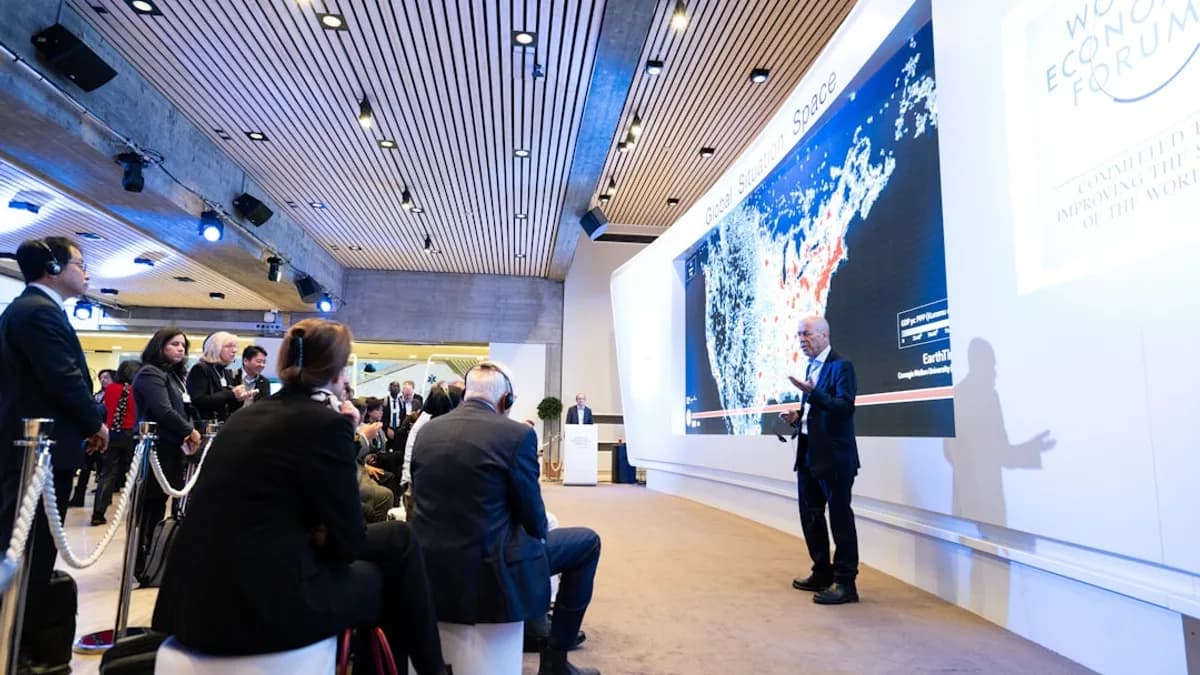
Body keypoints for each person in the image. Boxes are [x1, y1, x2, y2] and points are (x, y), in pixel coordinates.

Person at [151, 319, 448, 674]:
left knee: (396, 539)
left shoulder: (245, 418)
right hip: (264, 604)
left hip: (191, 601)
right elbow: (347, 543)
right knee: (394, 562)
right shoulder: (325, 424)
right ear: (337, 372)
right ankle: (430, 668)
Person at [410, 362, 601, 675]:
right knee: (587, 542)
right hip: (491, 568)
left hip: (430, 563)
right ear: (506, 401)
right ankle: (555, 662)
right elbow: (536, 523)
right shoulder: (517, 436)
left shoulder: (427, 433)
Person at [0, 237, 108, 670]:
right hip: (36, 452)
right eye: (81, 263)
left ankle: (20, 637)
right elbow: (62, 379)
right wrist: (94, 423)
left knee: (33, 549)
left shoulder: (36, 310)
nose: (86, 272)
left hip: (42, 451)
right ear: (52, 265)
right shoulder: (37, 313)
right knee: (30, 549)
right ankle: (18, 646)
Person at [779, 316, 860, 605]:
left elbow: (844, 408)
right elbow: (817, 414)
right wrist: (797, 418)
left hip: (835, 459)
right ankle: (821, 572)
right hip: (809, 455)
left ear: (825, 335)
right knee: (811, 517)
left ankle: (845, 583)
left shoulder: (841, 366)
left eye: (807, 334)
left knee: (840, 520)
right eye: (799, 335)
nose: (802, 339)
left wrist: (814, 393)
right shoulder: (811, 367)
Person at [133, 328, 202, 578]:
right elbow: (163, 411)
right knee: (151, 506)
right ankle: (144, 561)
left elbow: (182, 409)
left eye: (183, 345)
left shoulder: (173, 376)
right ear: (160, 346)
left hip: (172, 449)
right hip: (156, 448)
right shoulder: (151, 373)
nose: (180, 349)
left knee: (164, 502)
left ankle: (158, 557)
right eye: (174, 344)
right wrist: (190, 433)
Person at [92, 359, 142, 525]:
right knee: (136, 474)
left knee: (107, 473)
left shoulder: (111, 389)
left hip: (113, 432)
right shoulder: (139, 390)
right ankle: (136, 509)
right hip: (133, 434)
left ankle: (98, 512)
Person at [187, 331, 253, 422]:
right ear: (215, 348)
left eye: (235, 347)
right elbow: (199, 400)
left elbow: (229, 406)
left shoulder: (225, 372)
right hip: (205, 426)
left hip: (222, 424)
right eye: (229, 346)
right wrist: (231, 394)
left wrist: (239, 398)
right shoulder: (200, 369)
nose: (234, 350)